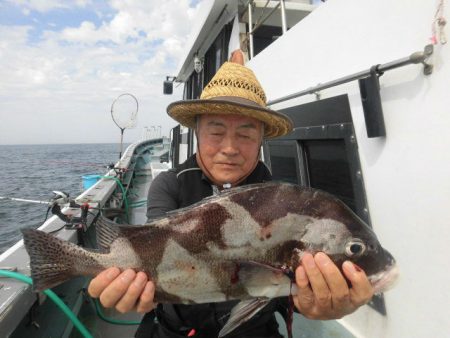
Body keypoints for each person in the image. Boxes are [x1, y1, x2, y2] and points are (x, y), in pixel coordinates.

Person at [88, 51, 374, 337]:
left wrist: (315, 303)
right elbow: (154, 249)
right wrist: (136, 290)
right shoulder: (170, 184)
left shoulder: (282, 202)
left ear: (261, 140)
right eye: (216, 132)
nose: (230, 148)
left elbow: (284, 286)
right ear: (197, 132)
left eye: (246, 135)